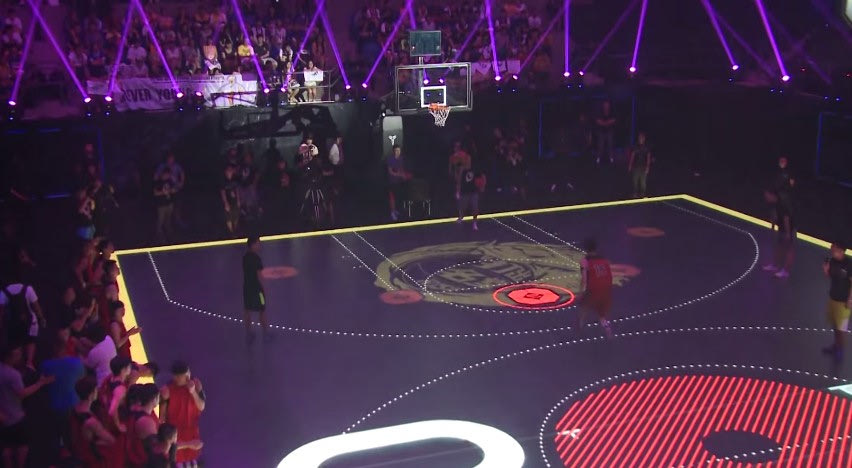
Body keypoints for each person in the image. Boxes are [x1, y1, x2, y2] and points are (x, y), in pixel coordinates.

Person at [0, 344, 54, 468]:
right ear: (9, 357)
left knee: (6, 447)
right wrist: (40, 383)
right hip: (15, 416)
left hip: (3, 416)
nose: (20, 356)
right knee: (22, 446)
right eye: (17, 354)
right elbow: (22, 394)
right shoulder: (13, 375)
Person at [159, 361, 205, 466]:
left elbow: (201, 406)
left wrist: (193, 392)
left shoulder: (196, 384)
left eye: (182, 376)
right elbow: (162, 418)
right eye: (177, 376)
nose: (179, 379)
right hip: (175, 433)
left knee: (192, 462)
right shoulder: (167, 390)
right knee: (177, 461)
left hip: (192, 431)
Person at [1, 275, 46, 370]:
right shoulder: (28, 289)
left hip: (13, 324)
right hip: (31, 323)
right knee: (30, 341)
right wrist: (41, 319)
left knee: (16, 345)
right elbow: (36, 307)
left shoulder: (4, 292)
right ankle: (29, 363)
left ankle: (14, 367)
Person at [69, 377, 115, 468]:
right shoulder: (91, 421)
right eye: (96, 389)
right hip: (91, 459)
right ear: (91, 394)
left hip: (79, 453)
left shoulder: (74, 409)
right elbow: (111, 440)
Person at [822, 242, 852, 360]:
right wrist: (826, 270)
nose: (831, 249)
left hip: (843, 302)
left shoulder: (849, 264)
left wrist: (850, 299)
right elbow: (831, 276)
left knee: (841, 328)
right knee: (835, 325)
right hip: (833, 298)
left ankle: (840, 350)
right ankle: (836, 346)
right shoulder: (832, 261)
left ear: (841, 250)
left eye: (834, 247)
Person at [578, 238, 613, 337]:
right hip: (606, 288)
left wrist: (580, 292)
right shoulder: (604, 260)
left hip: (594, 288)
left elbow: (584, 279)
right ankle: (607, 329)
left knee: (583, 307)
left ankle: (580, 327)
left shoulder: (585, 261)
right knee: (602, 314)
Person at [762, 194, 796, 279]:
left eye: (767, 195)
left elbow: (786, 218)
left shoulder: (782, 204)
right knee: (779, 247)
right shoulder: (774, 205)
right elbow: (774, 216)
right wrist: (773, 227)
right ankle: (775, 265)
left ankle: (785, 271)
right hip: (782, 228)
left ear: (772, 195)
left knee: (789, 249)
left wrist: (788, 233)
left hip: (789, 229)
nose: (766, 197)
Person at [243, 236, 268, 343]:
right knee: (262, 310)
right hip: (257, 289)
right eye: (258, 243)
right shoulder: (257, 259)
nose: (259, 245)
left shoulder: (245, 257)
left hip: (247, 288)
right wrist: (264, 289)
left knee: (247, 310)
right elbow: (259, 275)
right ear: (253, 245)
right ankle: (266, 333)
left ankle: (249, 333)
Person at [456, 165, 486, 231]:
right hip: (464, 192)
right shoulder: (462, 169)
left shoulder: (475, 169)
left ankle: (475, 223)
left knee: (475, 208)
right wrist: (458, 191)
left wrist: (482, 186)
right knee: (463, 206)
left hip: (473, 191)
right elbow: (459, 180)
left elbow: (483, 176)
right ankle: (461, 217)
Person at [387, 145, 412, 221]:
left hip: (399, 182)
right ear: (393, 151)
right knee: (392, 198)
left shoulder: (401, 159)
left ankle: (395, 210)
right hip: (391, 182)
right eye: (396, 150)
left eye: (399, 150)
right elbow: (390, 172)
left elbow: (401, 169)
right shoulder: (390, 159)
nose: (398, 152)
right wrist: (399, 175)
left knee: (398, 197)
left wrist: (404, 175)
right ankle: (392, 212)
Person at [627, 131, 652, 198]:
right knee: (635, 180)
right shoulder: (635, 147)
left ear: (644, 139)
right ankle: (635, 193)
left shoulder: (647, 147)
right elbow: (632, 156)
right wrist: (630, 165)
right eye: (640, 138)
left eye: (642, 138)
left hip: (643, 167)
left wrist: (647, 167)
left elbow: (648, 157)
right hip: (636, 166)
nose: (641, 139)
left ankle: (642, 194)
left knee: (643, 181)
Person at [221, 165, 241, 236]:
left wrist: (238, 200)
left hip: (234, 200)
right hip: (228, 200)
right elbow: (223, 192)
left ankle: (235, 230)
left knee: (235, 214)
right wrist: (226, 203)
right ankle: (231, 232)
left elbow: (237, 190)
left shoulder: (234, 180)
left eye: (231, 170)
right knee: (228, 216)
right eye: (228, 170)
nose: (230, 172)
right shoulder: (223, 181)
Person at [595, 100, 616, 165]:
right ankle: (598, 158)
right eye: (605, 104)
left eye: (607, 104)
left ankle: (611, 158)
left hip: (610, 131)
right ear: (603, 105)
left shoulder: (612, 112)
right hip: (601, 131)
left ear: (609, 105)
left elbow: (613, 120)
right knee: (600, 145)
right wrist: (605, 123)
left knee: (610, 145)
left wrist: (605, 123)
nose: (606, 106)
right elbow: (598, 121)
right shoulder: (600, 112)